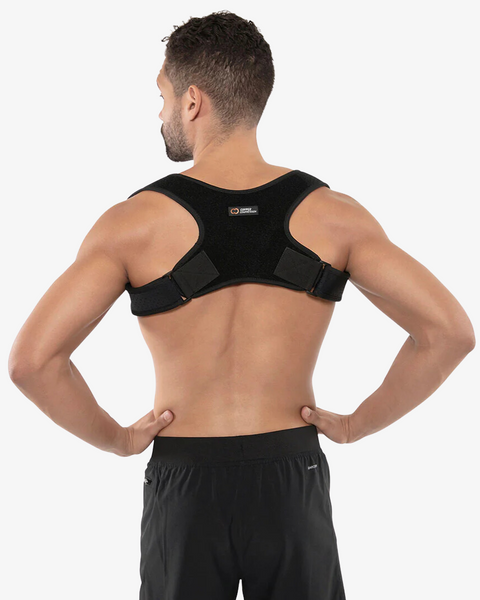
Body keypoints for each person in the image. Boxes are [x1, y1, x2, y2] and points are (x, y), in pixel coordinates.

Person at [8, 10, 475, 600]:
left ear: (193, 102)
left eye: (162, 96)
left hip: (185, 479)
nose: (160, 113)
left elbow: (32, 363)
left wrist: (118, 439)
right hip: (290, 472)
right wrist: (358, 424)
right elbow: (449, 332)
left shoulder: (132, 225)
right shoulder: (335, 217)